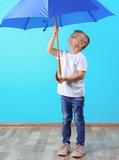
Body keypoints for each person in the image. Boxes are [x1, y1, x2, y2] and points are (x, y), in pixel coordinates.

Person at [47, 26, 90, 158]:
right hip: (64, 94)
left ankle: (80, 146)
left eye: (74, 36)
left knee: (78, 121)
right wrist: (54, 34)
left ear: (81, 44)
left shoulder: (81, 58)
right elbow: (49, 49)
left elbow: (81, 75)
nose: (71, 37)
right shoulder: (63, 54)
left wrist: (65, 78)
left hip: (76, 96)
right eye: (71, 35)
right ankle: (65, 144)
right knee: (66, 119)